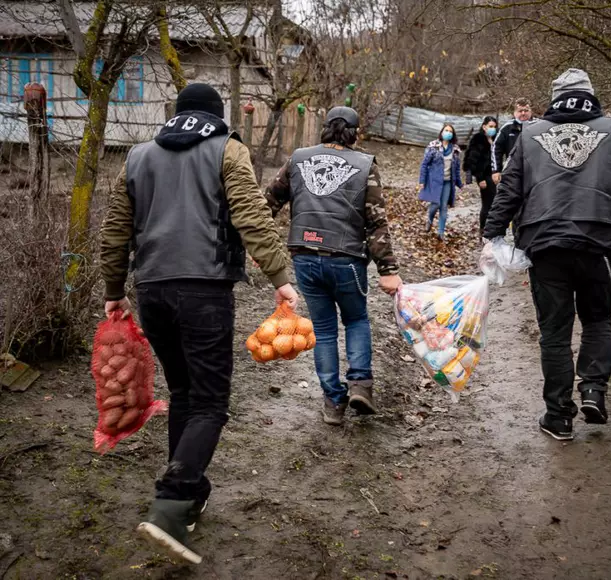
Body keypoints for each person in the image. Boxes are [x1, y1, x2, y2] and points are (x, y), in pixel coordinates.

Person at [100, 83, 298, 564]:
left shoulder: (139, 156)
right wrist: (279, 276)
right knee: (210, 400)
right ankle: (170, 500)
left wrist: (112, 289)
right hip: (204, 290)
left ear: (176, 114)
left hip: (152, 292)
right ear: (216, 115)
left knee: (186, 392)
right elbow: (250, 216)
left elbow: (115, 228)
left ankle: (189, 497)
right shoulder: (227, 148)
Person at [482, 69, 611, 441]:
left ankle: (559, 416)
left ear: (554, 97)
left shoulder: (530, 134)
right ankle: (593, 391)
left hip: (545, 242)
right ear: (591, 94)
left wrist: (492, 234)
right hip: (601, 241)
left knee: (554, 333)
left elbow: (509, 189)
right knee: (598, 320)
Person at [265, 106, 402, 425]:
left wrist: (260, 246)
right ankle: (360, 386)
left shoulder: (298, 158)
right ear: (355, 133)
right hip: (347, 259)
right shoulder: (365, 164)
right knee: (355, 320)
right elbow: (376, 222)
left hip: (305, 256)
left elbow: (267, 203)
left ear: (325, 128)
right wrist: (388, 270)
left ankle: (332, 403)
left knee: (324, 330)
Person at [417, 124, 464, 240]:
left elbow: (457, 169)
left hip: (448, 182)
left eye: (450, 131)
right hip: (434, 181)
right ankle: (429, 219)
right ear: (442, 132)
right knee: (436, 204)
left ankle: (441, 232)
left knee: (444, 207)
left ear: (453, 135)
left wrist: (459, 183)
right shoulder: (434, 146)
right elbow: (424, 164)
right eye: (446, 130)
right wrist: (422, 180)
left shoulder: (455, 150)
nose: (448, 133)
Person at [463, 116, 499, 234]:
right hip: (484, 176)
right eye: (490, 126)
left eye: (494, 127)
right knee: (488, 203)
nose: (493, 129)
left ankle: (490, 227)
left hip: (494, 174)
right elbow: (473, 160)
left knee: (494, 202)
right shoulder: (478, 139)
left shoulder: (496, 139)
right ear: (484, 127)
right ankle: (484, 229)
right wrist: (480, 178)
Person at [491, 98, 533, 184]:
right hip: (513, 172)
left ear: (531, 111)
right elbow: (496, 149)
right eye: (520, 111)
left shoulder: (539, 125)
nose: (523, 113)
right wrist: (496, 170)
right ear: (514, 112)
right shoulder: (507, 128)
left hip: (534, 171)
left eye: (526, 110)